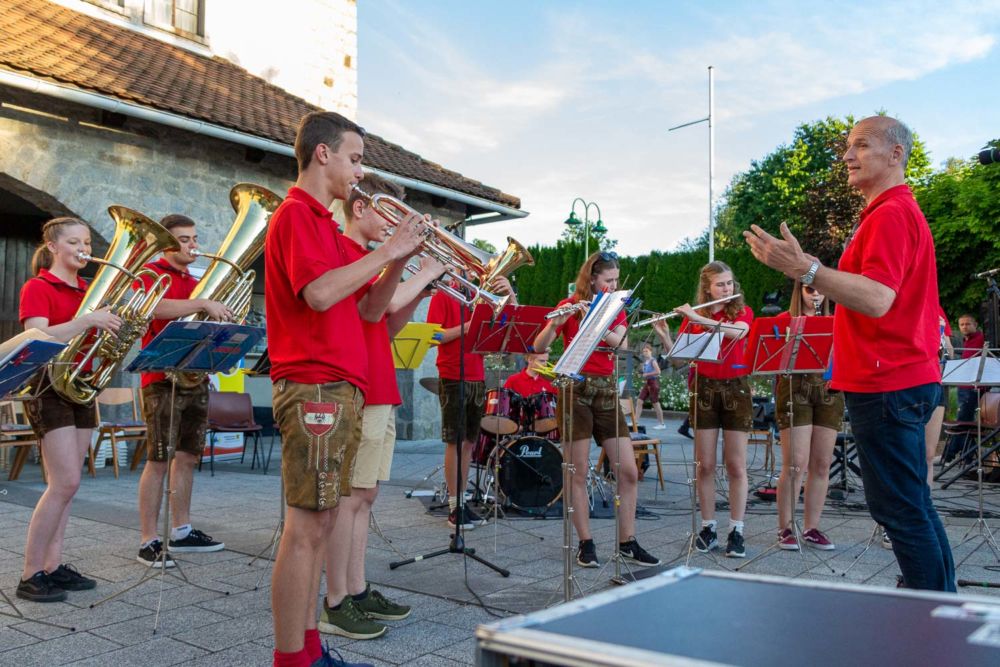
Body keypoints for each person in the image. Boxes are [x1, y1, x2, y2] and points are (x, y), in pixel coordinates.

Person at [745, 115, 955, 592]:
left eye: (860, 145)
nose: (846, 156)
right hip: (900, 379)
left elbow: (879, 298)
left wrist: (807, 269)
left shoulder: (890, 214)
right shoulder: (893, 213)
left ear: (896, 154)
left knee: (900, 509)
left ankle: (930, 619)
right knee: (912, 503)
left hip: (888, 383)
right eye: (848, 146)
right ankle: (944, 608)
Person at [265, 110, 424, 667]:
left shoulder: (326, 227)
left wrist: (395, 263)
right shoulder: (296, 216)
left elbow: (368, 311)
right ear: (323, 154)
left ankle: (309, 647)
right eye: (355, 159)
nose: (360, 172)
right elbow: (318, 295)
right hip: (315, 386)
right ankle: (293, 657)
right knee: (306, 529)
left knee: (322, 521)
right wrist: (386, 251)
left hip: (340, 385)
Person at [320, 173, 445, 640]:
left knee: (364, 498)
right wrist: (419, 270)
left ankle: (356, 587)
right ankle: (336, 600)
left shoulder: (373, 261)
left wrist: (421, 284)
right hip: (358, 386)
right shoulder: (351, 255)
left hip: (380, 383)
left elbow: (385, 327)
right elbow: (365, 313)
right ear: (358, 209)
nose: (395, 227)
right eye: (389, 215)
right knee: (348, 499)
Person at [16, 217, 122, 602]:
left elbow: (98, 339)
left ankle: (53, 566)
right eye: (75, 243)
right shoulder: (38, 286)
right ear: (53, 247)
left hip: (83, 387)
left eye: (88, 243)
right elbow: (36, 335)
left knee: (69, 486)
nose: (84, 250)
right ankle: (30, 573)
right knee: (62, 484)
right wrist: (88, 320)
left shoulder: (92, 291)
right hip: (49, 387)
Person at [534, 251, 661, 568]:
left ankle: (627, 542)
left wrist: (598, 321)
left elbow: (623, 343)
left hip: (605, 390)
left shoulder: (613, 307)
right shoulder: (568, 305)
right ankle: (586, 543)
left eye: (617, 280)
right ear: (591, 278)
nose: (614, 285)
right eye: (609, 280)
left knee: (628, 471)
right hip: (574, 388)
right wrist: (557, 324)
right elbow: (538, 346)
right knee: (576, 470)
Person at [135, 214, 231, 569]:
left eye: (194, 238)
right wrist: (202, 302)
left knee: (188, 457)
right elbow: (151, 308)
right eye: (184, 240)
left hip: (195, 376)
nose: (194, 246)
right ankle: (148, 539)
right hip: (161, 378)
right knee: (159, 459)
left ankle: (182, 529)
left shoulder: (194, 279)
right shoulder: (150, 274)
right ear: (167, 242)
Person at [426, 272, 515, 530]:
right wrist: (467, 327)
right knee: (455, 441)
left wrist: (508, 292)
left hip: (477, 374)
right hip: (453, 373)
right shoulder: (443, 294)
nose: (473, 274)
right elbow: (435, 337)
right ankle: (454, 506)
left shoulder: (479, 297)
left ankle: (462, 503)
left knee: (469, 443)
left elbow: (509, 320)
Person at [677, 261, 753, 558]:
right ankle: (708, 527)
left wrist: (696, 316)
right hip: (704, 388)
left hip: (736, 387)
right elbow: (681, 356)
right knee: (704, 465)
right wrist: (664, 335)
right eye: (720, 284)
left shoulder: (742, 313)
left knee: (736, 465)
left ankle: (737, 529)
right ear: (707, 288)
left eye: (730, 283)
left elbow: (738, 334)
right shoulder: (696, 318)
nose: (727, 289)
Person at [773, 281, 844, 551]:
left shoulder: (836, 321)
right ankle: (786, 527)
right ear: (798, 290)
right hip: (795, 388)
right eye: (809, 289)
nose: (816, 294)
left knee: (822, 463)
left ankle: (812, 527)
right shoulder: (784, 319)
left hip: (829, 390)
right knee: (794, 464)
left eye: (819, 289)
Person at [924, 309, 953, 487]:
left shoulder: (937, 309)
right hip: (907, 383)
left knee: (928, 452)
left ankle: (926, 500)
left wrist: (940, 335)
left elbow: (949, 350)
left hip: (935, 381)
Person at [955, 313, 985, 423]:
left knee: (964, 419)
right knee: (964, 419)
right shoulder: (966, 340)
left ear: (975, 324)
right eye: (961, 324)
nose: (964, 327)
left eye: (967, 324)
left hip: (974, 386)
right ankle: (967, 440)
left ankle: (960, 441)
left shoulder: (982, 338)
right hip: (964, 385)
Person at [635, 342, 666, 429]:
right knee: (639, 401)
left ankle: (662, 424)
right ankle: (636, 421)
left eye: (647, 351)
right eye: (644, 351)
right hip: (647, 383)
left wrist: (647, 374)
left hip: (653, 384)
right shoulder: (646, 362)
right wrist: (642, 374)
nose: (645, 353)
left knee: (656, 404)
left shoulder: (653, 361)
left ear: (651, 351)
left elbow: (658, 372)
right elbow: (645, 374)